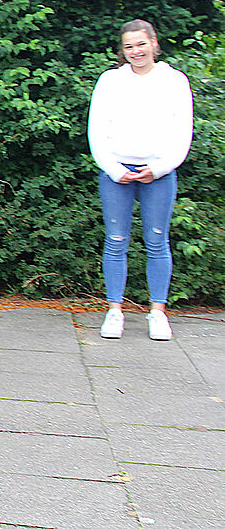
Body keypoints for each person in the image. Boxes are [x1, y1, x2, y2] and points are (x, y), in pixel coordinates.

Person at [88, 19, 193, 341]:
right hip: (117, 173)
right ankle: (114, 310)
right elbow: (97, 129)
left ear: (154, 43)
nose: (136, 51)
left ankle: (158, 313)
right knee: (116, 241)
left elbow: (182, 132)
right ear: (123, 50)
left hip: (158, 174)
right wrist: (113, 168)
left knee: (157, 241)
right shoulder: (110, 81)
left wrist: (160, 168)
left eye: (141, 44)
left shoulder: (174, 81)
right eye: (129, 46)